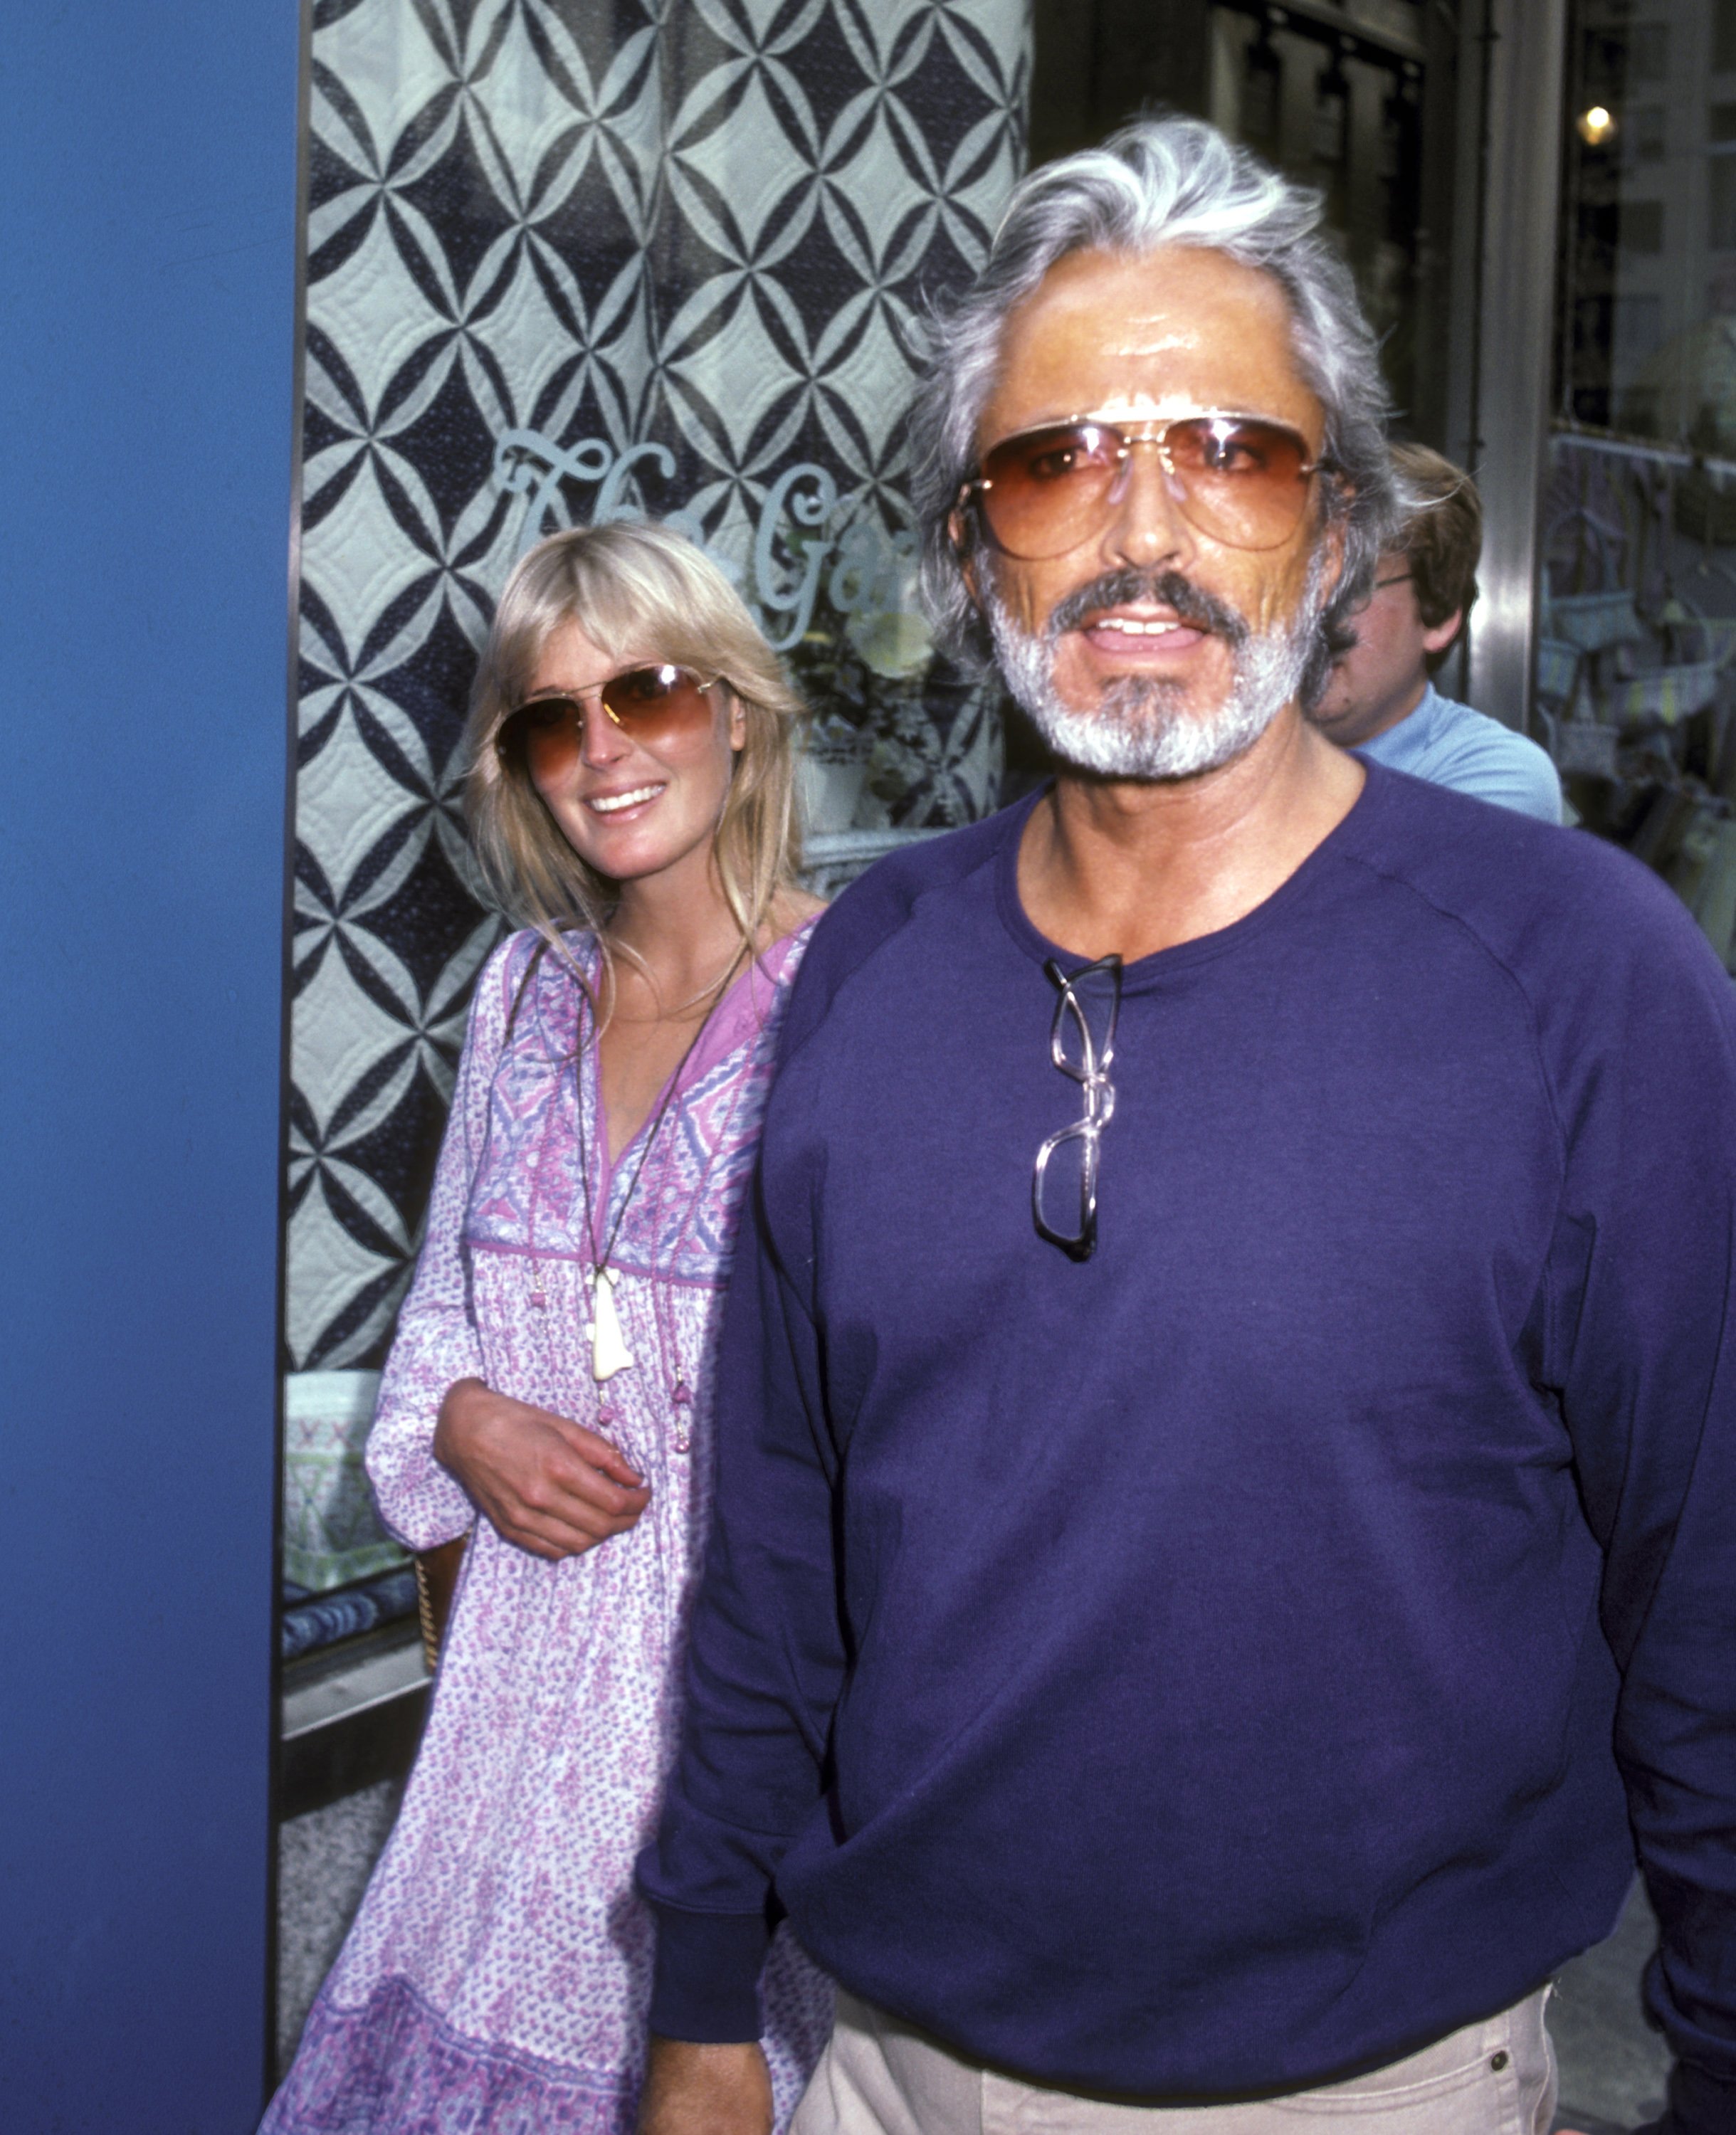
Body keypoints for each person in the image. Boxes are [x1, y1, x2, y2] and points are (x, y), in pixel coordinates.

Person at [634, 120, 1736, 2135]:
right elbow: (772, 1554)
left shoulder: (1581, 979)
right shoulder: (868, 968)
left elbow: (1708, 1589)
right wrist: (701, 1990)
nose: (1138, 529)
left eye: (1225, 451)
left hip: (1363, 2088)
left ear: (1329, 542)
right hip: (878, 2066)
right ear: (972, 558)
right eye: (1055, 461)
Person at [263, 522, 833, 2134]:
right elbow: (438, 1321)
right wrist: (461, 1422)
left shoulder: (851, 994)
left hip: (710, 1762)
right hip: (491, 1758)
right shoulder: (517, 990)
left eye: (643, 692)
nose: (601, 750)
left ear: (734, 709)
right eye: (547, 716)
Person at [1312, 443, 1562, 821]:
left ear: (1438, 617)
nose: (1314, 614)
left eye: (1352, 590)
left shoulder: (1495, 775)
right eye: (1296, 584)